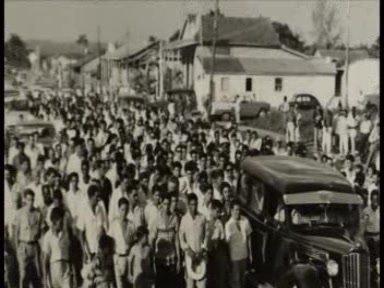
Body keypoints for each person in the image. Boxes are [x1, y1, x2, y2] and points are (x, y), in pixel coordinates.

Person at [14, 189, 44, 288]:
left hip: (34, 247)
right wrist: (17, 249)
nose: (31, 202)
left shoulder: (38, 214)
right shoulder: (19, 214)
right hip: (23, 247)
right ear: (25, 200)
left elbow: (41, 233)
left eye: (32, 200)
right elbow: (16, 233)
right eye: (29, 200)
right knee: (23, 275)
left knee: (37, 274)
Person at [179, 193, 209, 288]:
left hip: (201, 255)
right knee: (190, 284)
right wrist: (188, 250)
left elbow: (207, 235)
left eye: (195, 204)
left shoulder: (202, 218)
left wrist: (203, 249)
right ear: (188, 205)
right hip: (189, 256)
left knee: (202, 284)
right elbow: (181, 237)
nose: (193, 207)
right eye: (191, 204)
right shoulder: (184, 219)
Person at [152, 193, 181, 288]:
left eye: (168, 204)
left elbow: (177, 239)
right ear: (161, 204)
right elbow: (152, 239)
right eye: (165, 204)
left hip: (171, 257)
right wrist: (152, 260)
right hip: (160, 258)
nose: (167, 206)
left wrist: (178, 260)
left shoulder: (175, 218)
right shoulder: (156, 217)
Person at [42, 207, 75, 288]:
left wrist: (74, 273)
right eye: (62, 220)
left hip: (66, 268)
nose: (63, 223)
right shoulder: (48, 236)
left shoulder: (65, 235)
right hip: (54, 269)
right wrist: (45, 281)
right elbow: (45, 260)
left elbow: (71, 256)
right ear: (56, 220)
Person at [108, 198, 135, 288]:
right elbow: (109, 242)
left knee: (129, 283)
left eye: (126, 210)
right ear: (119, 209)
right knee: (119, 285)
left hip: (128, 258)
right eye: (122, 209)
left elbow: (134, 242)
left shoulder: (131, 225)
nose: (124, 212)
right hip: (117, 258)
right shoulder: (114, 225)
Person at [225, 200, 253, 288]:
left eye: (239, 210)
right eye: (236, 210)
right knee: (236, 280)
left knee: (243, 278)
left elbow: (249, 237)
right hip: (234, 257)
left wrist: (250, 253)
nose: (238, 212)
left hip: (244, 255)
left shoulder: (245, 220)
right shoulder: (228, 224)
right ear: (231, 210)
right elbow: (227, 242)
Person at [361, 191, 380, 279]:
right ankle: (371, 274)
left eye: (377, 200)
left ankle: (375, 272)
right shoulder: (366, 211)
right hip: (369, 237)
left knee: (376, 258)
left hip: (378, 237)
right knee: (371, 259)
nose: (375, 202)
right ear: (371, 200)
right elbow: (362, 228)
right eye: (373, 200)